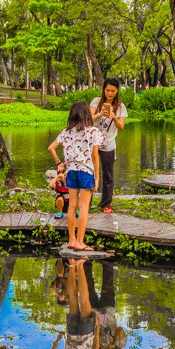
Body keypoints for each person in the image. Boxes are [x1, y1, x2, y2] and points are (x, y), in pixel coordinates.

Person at [48, 101, 102, 251]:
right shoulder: (92, 131)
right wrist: (97, 177)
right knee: (83, 207)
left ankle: (71, 240)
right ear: (86, 114)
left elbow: (50, 148)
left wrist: (60, 163)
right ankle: (80, 242)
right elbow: (95, 156)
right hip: (86, 172)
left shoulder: (66, 132)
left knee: (72, 206)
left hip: (71, 172)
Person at [49, 258, 102, 349]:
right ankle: (72, 265)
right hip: (72, 332)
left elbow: (95, 347)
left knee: (84, 299)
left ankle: (80, 264)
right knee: (73, 298)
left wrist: (97, 328)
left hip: (86, 332)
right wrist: (58, 339)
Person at [90, 78, 128, 214]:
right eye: (107, 90)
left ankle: (106, 203)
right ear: (103, 89)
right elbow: (88, 119)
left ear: (117, 91)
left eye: (113, 91)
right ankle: (86, 202)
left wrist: (114, 117)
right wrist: (100, 113)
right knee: (89, 172)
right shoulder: (96, 101)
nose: (110, 93)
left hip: (108, 144)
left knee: (108, 175)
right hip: (92, 142)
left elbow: (121, 126)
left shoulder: (120, 107)